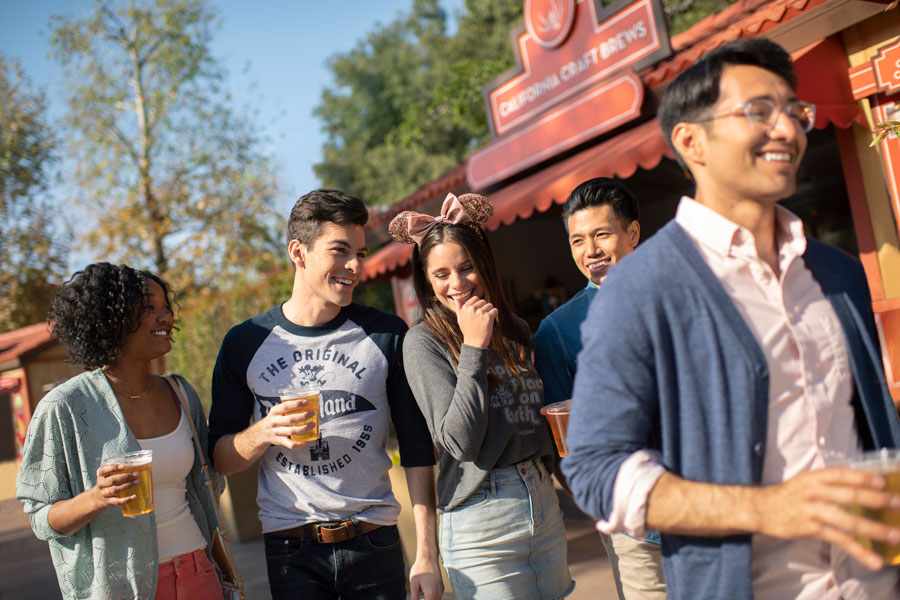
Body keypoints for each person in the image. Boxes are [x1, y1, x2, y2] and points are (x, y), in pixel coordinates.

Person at [562, 37, 900, 600]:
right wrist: (766, 508)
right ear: (691, 141)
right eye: (758, 112)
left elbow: (872, 426)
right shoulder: (640, 290)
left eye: (794, 111)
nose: (788, 129)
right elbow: (596, 472)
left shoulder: (837, 273)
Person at [207, 189, 443, 600]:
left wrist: (426, 554)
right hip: (290, 549)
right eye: (340, 251)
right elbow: (220, 459)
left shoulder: (386, 334)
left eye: (360, 252)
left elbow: (417, 447)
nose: (354, 266)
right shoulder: (246, 342)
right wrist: (262, 432)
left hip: (376, 541)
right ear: (298, 252)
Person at [389, 192, 574, 600]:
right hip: (481, 516)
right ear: (426, 279)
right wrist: (473, 349)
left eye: (467, 267)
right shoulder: (423, 342)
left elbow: (540, 425)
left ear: (485, 265)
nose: (456, 284)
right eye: (440, 275)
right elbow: (457, 441)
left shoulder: (516, 330)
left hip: (542, 502)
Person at [16, 262, 224, 599]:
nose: (165, 318)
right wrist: (96, 498)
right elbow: (42, 518)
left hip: (199, 571)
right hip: (124, 587)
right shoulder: (65, 406)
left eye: (165, 307)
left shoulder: (180, 393)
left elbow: (207, 484)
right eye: (147, 309)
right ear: (110, 320)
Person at [534, 178, 666, 600]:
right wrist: (612, 510)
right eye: (578, 240)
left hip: (715, 506)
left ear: (632, 233)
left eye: (601, 234)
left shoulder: (680, 294)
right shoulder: (558, 331)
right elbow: (566, 447)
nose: (590, 251)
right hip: (637, 532)